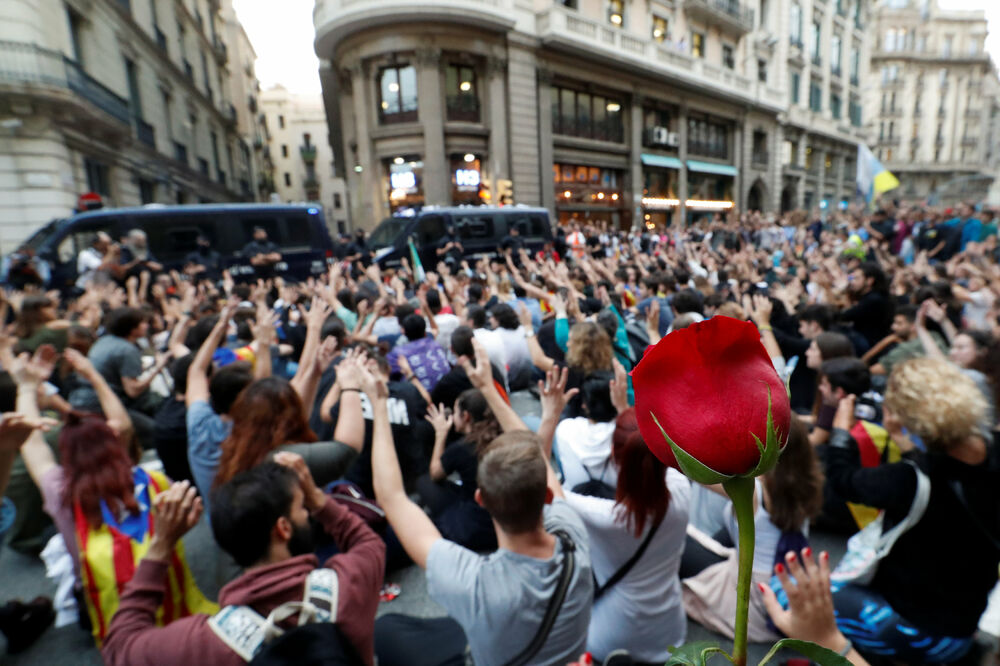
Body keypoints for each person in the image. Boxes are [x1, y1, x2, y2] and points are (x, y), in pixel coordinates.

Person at [369, 341, 593, 666]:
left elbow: (390, 496)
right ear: (546, 497)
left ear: (481, 499)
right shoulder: (574, 535)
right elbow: (540, 461)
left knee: (387, 629)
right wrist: (490, 389)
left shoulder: (474, 582)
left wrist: (379, 405)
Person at [9, 346, 215, 644]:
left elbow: (32, 445)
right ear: (115, 444)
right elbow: (125, 426)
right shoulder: (153, 481)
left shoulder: (61, 492)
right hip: (166, 584)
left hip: (107, 606)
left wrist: (26, 388)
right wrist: (94, 375)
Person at [101, 454, 385, 665]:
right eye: (302, 507)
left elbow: (120, 646)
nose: (307, 513)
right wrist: (319, 499)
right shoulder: (348, 586)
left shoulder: (206, 642)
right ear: (283, 528)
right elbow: (368, 542)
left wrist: (162, 544)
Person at [826, 358, 999, 663]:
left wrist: (839, 431)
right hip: (963, 626)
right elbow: (940, 462)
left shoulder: (906, 479)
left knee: (793, 595)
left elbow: (843, 481)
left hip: (920, 632)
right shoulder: (992, 449)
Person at [542, 362, 692, 664]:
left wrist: (550, 415)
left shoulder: (603, 516)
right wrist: (625, 407)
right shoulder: (681, 489)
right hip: (671, 631)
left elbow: (538, 477)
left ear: (616, 457)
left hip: (609, 636)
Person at [683, 416, 824, 643]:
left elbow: (694, 472)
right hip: (780, 580)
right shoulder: (807, 486)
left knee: (680, 542)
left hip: (753, 594)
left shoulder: (756, 493)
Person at [417, 390, 500, 551]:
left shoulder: (462, 448)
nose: (452, 416)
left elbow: (435, 474)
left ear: (466, 416)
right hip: (509, 522)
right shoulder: (501, 434)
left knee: (425, 482)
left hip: (478, 528)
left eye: (455, 412)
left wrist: (440, 433)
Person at [387, 313, 450, 391]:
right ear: (425, 331)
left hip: (421, 399)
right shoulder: (434, 344)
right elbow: (435, 330)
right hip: (448, 392)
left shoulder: (397, 353)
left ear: (403, 332)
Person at [840, 262, 893, 349]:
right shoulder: (872, 297)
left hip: (871, 345)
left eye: (857, 278)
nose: (852, 282)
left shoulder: (874, 299)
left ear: (869, 281)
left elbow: (845, 316)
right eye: (852, 278)